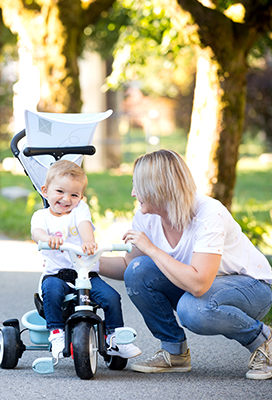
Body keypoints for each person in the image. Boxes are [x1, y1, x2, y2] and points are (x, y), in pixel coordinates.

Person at [99, 149, 272, 380]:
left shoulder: (209, 214)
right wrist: (86, 262)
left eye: (138, 187)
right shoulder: (146, 216)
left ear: (157, 187)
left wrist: (152, 248)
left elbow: (199, 284)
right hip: (201, 284)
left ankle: (264, 341)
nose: (132, 193)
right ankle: (174, 353)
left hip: (252, 288)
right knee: (139, 270)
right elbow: (128, 266)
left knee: (193, 309)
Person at [31, 159, 141, 360]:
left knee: (111, 297)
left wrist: (89, 242)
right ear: (45, 191)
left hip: (86, 274)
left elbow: (85, 226)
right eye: (60, 192)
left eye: (74, 194)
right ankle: (56, 333)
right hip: (57, 274)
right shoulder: (41, 216)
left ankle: (114, 336)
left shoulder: (80, 209)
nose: (66, 199)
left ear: (81, 197)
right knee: (52, 291)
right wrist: (48, 239)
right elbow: (37, 232)